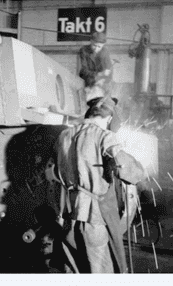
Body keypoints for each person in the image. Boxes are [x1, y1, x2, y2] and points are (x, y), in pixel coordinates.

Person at [54, 97, 146, 273]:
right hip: (92, 220)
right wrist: (141, 170)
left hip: (66, 218)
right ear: (110, 118)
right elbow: (128, 170)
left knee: (73, 271)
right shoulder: (104, 136)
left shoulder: (64, 135)